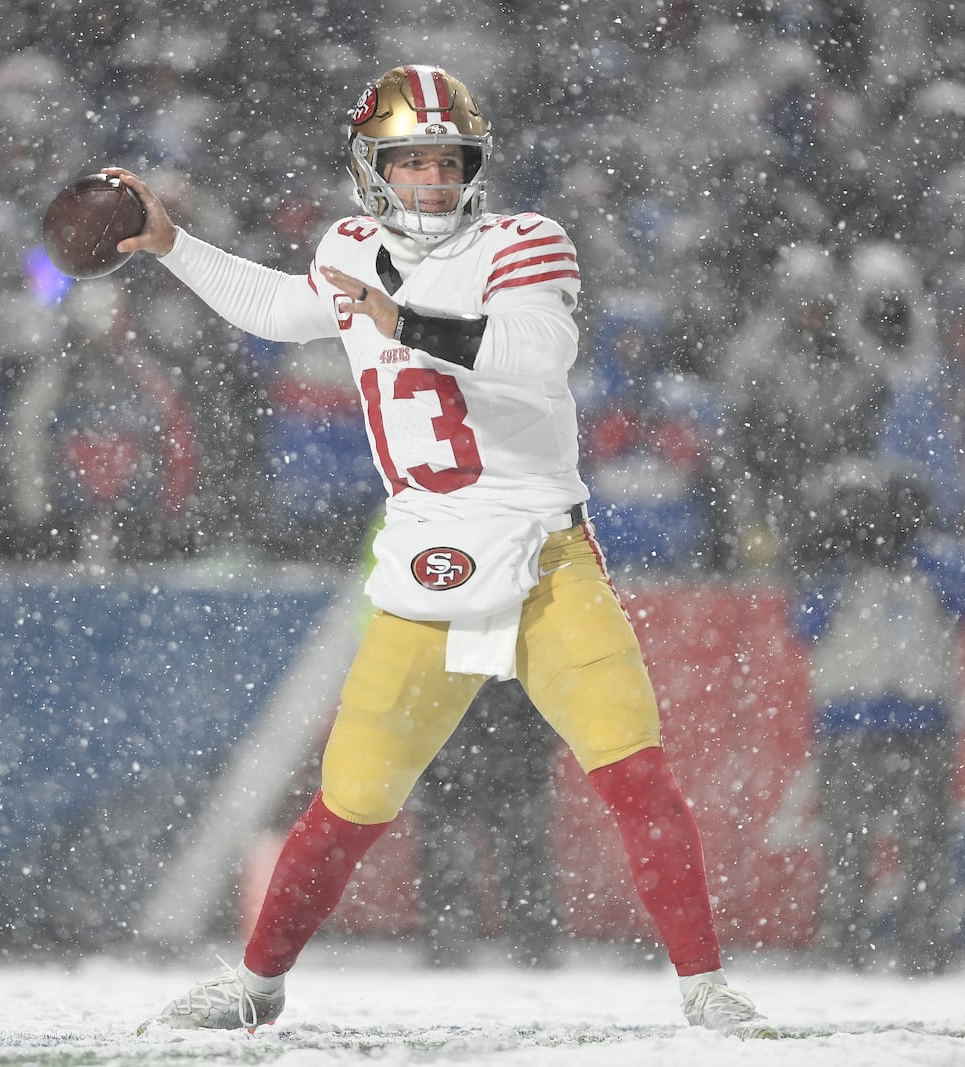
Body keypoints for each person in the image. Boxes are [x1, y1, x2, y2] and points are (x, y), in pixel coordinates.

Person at [109, 64, 776, 1038]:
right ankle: (257, 983)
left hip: (543, 550)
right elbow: (279, 310)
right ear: (371, 169)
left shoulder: (522, 240)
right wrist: (172, 245)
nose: (429, 181)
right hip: (423, 555)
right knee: (349, 801)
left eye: (445, 162)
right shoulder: (348, 245)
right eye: (410, 161)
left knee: (633, 768)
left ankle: (704, 984)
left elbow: (538, 351)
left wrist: (405, 321)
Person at [793, 459, 965, 975]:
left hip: (920, 721)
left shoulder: (936, 558)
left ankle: (923, 957)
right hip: (849, 721)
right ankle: (842, 957)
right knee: (847, 852)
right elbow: (804, 622)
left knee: (923, 852)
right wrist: (844, 556)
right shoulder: (833, 560)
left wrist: (915, 548)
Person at [411, 677, 561, 970]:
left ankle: (449, 947)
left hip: (446, 701)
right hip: (514, 706)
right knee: (521, 843)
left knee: (447, 845)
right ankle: (534, 951)